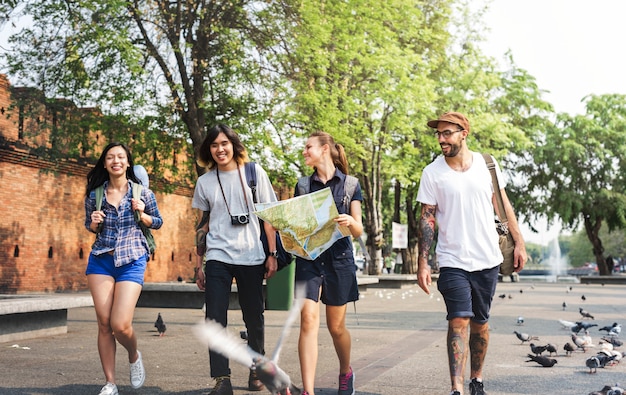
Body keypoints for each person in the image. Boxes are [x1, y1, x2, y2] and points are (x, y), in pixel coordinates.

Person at [416, 112, 527, 395]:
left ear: (464, 133)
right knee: (459, 320)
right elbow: (427, 218)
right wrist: (423, 262)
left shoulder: (487, 165)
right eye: (438, 134)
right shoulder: (432, 173)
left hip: (487, 259)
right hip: (452, 260)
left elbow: (503, 206)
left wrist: (519, 242)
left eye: (447, 133)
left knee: (480, 325)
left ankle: (476, 379)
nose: (441, 139)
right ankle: (457, 387)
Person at [192, 124, 279, 395]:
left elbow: (269, 218)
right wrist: (198, 266)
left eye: (224, 143)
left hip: (252, 254)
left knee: (254, 316)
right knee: (215, 317)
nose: (220, 149)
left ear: (234, 145)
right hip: (218, 255)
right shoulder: (205, 181)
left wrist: (272, 254)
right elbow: (202, 225)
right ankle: (221, 378)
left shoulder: (254, 173)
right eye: (214, 145)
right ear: (209, 150)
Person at [84, 142, 163, 395]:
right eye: (110, 157)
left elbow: (157, 222)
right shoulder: (95, 195)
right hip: (101, 259)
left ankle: (133, 354)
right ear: (105, 163)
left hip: (132, 259)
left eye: (120, 157)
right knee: (104, 323)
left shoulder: (143, 194)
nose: (115, 161)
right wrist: (94, 222)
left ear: (128, 163)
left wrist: (143, 213)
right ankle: (110, 383)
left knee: (121, 324)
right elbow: (91, 227)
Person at [295, 131, 364, 395]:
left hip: (339, 260)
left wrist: (349, 222)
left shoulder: (350, 185)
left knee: (336, 328)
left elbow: (358, 230)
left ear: (325, 149)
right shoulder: (302, 186)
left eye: (308, 147)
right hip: (309, 259)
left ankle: (345, 371)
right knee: (307, 320)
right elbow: (298, 225)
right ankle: (308, 390)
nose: (304, 151)